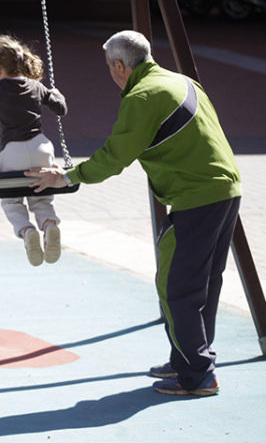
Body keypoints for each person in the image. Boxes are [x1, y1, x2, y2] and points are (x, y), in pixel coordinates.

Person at [26, 30, 241, 397]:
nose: (110, 74)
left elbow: (115, 156)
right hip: (226, 190)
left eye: (110, 67)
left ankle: (198, 374)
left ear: (120, 66)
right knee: (204, 284)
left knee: (177, 287)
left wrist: (68, 177)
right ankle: (189, 359)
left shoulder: (143, 96)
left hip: (195, 197)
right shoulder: (181, 81)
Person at [0, 34, 67, 266]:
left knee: (12, 201)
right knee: (42, 196)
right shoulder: (36, 85)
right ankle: (49, 225)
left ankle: (27, 231)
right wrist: (56, 94)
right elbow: (60, 109)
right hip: (41, 147)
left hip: (13, 151)